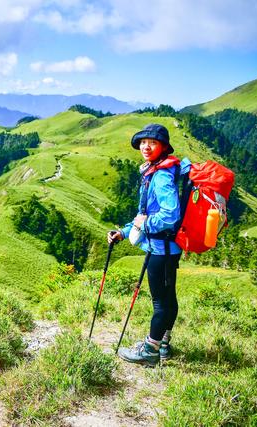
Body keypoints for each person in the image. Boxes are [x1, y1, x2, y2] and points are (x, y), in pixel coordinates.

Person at [107, 123, 185, 367]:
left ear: (163, 147)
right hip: (167, 248)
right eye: (142, 142)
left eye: (152, 142)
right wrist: (124, 232)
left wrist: (145, 224)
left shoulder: (160, 176)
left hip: (161, 249)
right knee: (168, 299)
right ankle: (163, 344)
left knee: (161, 302)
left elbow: (170, 215)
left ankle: (150, 350)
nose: (146, 146)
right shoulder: (155, 171)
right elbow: (145, 213)